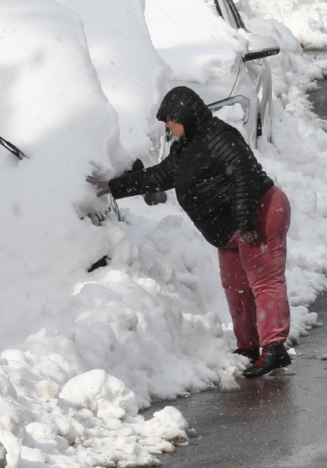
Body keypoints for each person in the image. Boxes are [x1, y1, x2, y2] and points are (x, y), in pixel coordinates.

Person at [87, 86, 292, 378]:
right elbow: (159, 175)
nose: (168, 126)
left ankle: (274, 348)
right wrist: (114, 186)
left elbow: (243, 176)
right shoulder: (185, 149)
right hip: (229, 227)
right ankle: (248, 347)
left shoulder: (220, 137)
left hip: (259, 213)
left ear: (185, 114)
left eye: (170, 119)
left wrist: (246, 223)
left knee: (263, 282)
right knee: (235, 287)